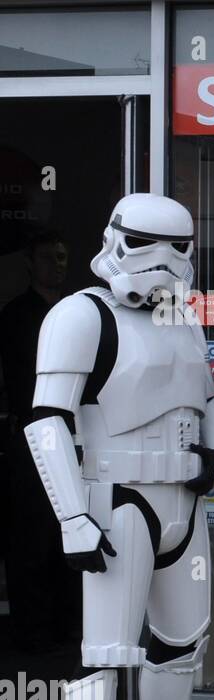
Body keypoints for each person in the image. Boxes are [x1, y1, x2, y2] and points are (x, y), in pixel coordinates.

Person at [24, 194, 214, 700]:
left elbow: (208, 396)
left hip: (183, 502)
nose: (168, 261)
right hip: (116, 500)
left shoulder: (185, 321)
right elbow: (47, 419)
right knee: (104, 656)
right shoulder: (80, 314)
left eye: (180, 247)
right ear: (117, 239)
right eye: (151, 244)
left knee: (181, 642)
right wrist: (72, 516)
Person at [2, 228, 77, 653]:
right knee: (29, 534)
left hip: (73, 432)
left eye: (63, 256)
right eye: (50, 257)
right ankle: (31, 630)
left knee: (71, 526)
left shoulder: (76, 312)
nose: (58, 264)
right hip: (28, 433)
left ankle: (69, 624)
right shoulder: (14, 315)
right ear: (30, 262)